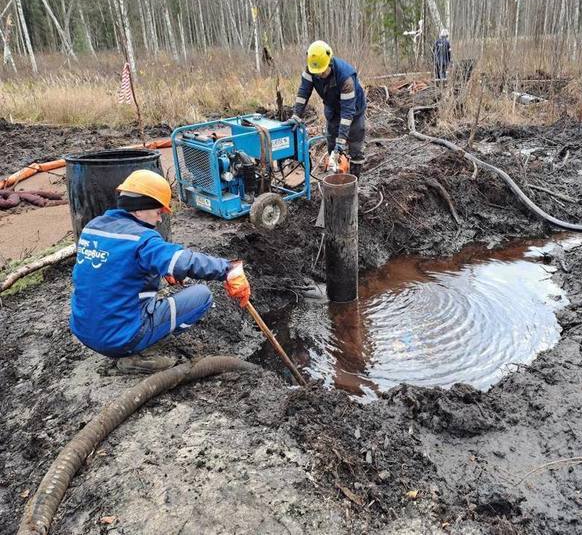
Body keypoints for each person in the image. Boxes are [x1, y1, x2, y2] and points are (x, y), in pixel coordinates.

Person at [69, 169, 251, 373]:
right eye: (158, 212)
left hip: (83, 330)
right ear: (139, 210)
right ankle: (138, 352)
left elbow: (114, 267)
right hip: (120, 339)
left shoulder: (93, 227)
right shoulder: (143, 239)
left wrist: (159, 269)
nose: (159, 220)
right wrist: (228, 269)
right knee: (203, 295)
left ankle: (132, 342)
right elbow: (185, 260)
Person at [285, 40, 367, 177]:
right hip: (332, 109)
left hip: (353, 111)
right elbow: (303, 92)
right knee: (332, 144)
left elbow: (347, 113)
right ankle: (334, 174)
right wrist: (296, 115)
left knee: (355, 147)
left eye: (322, 73)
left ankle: (355, 180)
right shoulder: (311, 69)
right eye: (316, 73)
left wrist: (342, 141)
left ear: (329, 63)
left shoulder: (346, 78)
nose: (318, 76)